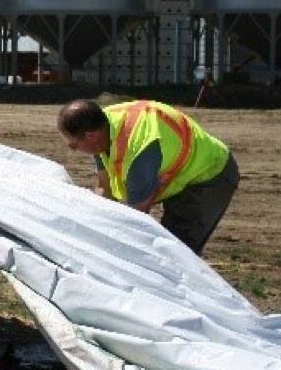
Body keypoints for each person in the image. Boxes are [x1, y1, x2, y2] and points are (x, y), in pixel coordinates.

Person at [57, 98, 239, 255]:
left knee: (176, 252)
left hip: (209, 174)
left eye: (73, 146)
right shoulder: (101, 125)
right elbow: (105, 189)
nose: (75, 151)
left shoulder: (139, 151)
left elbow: (137, 216)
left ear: (91, 136)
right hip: (181, 173)